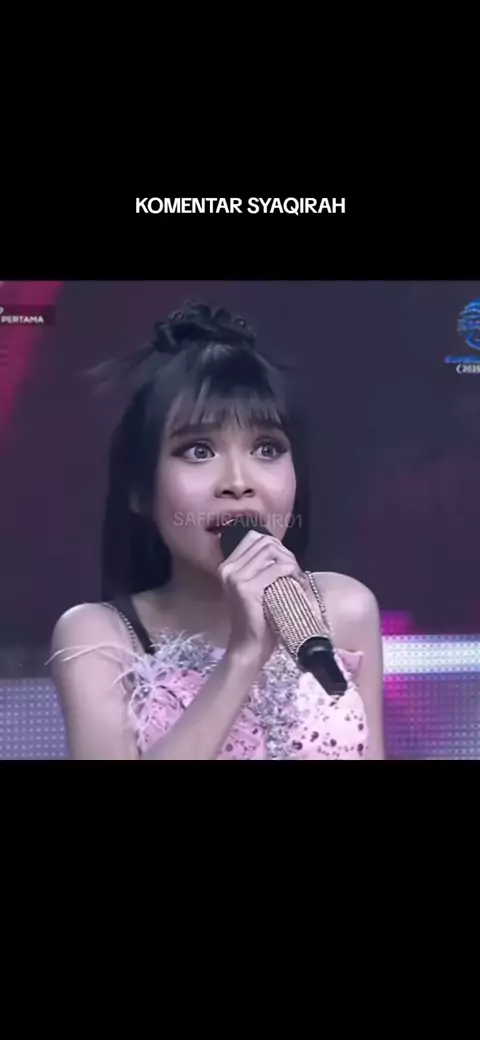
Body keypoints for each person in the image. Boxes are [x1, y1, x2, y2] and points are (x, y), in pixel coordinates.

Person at [49, 302, 385, 760]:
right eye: (199, 451)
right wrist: (243, 658)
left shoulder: (345, 609)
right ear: (140, 492)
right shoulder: (100, 636)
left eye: (267, 448)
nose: (238, 482)